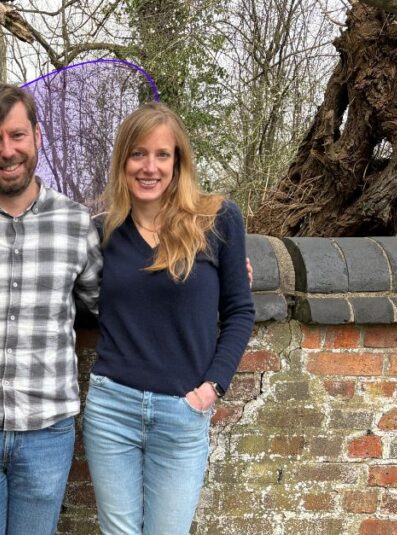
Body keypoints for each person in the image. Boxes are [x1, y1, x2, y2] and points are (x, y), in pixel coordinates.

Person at [0, 84, 102, 534]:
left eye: (17, 135)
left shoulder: (75, 223)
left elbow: (107, 303)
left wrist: (209, 272)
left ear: (38, 136)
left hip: (47, 430)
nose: (7, 151)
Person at [83, 102, 254, 534]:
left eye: (162, 155)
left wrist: (211, 388)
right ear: (123, 161)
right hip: (112, 409)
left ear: (179, 163)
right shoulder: (103, 231)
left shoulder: (217, 221)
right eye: (138, 154)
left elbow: (239, 311)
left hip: (182, 411)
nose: (149, 167)